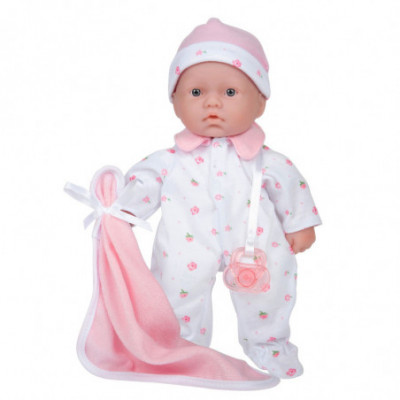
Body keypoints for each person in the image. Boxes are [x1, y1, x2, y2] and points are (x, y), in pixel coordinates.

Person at [122, 18, 322, 379]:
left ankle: (269, 342)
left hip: (257, 243)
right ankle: (180, 347)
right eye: (196, 92)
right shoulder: (170, 161)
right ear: (175, 103)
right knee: (175, 290)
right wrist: (121, 211)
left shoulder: (267, 161)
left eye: (230, 92)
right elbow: (142, 182)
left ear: (260, 103)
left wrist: (300, 223)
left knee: (269, 291)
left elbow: (292, 186)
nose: (212, 102)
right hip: (185, 242)